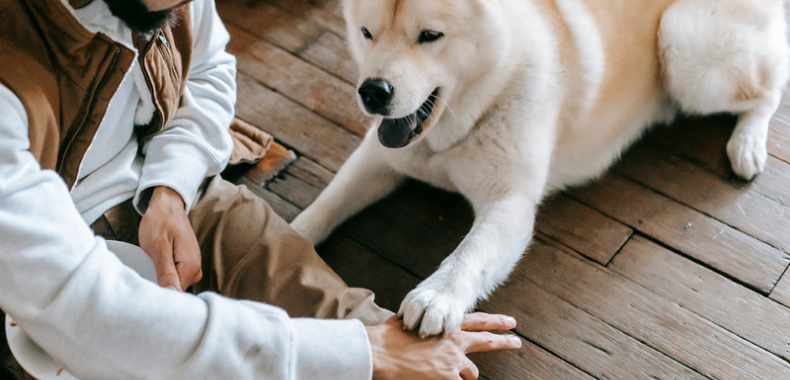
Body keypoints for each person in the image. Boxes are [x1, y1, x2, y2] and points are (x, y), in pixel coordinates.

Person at [0, 0, 521, 379]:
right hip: (32, 272)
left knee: (342, 311)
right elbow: (92, 315)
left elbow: (207, 70)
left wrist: (170, 188)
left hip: (164, 186)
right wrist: (361, 354)